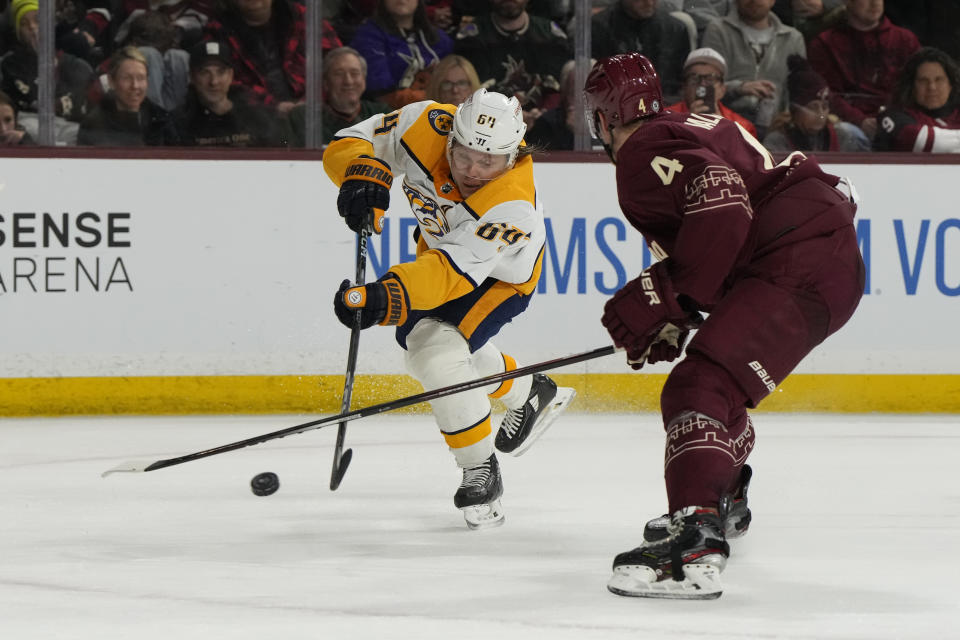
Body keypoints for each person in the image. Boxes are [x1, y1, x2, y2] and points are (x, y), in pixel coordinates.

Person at [583, 52, 864, 599]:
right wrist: (679, 308)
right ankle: (720, 498)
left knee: (698, 386)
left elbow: (724, 202)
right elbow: (731, 223)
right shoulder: (682, 126)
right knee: (716, 384)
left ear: (601, 118)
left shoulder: (640, 150)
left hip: (797, 259)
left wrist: (665, 293)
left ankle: (695, 537)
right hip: (815, 257)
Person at [323, 88, 575, 529]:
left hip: (500, 276)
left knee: (433, 352)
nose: (473, 171)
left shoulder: (513, 204)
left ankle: (480, 469)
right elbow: (352, 140)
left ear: (512, 156)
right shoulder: (425, 124)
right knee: (439, 348)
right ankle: (527, 391)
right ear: (451, 139)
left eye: (489, 162)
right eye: (464, 156)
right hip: (441, 255)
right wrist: (359, 172)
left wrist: (384, 297)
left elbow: (450, 275)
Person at [806, 0, 920, 141]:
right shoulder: (824, 44)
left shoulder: (905, 40)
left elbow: (915, 89)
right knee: (846, 133)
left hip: (900, 122)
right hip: (846, 125)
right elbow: (826, 94)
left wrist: (894, 118)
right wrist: (858, 120)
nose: (875, 3)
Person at [453, 0, 571, 128]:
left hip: (546, 125)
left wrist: (544, 113)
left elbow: (560, 89)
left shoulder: (550, 35)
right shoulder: (471, 38)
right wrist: (508, 114)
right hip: (488, 124)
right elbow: (470, 90)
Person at [701, 0, 806, 137]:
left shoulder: (793, 38)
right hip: (726, 123)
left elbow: (799, 90)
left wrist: (786, 117)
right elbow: (706, 85)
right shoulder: (719, 29)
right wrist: (740, 88)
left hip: (776, 128)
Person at [203, 0, 326, 114]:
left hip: (314, 109)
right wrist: (273, 106)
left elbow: (335, 63)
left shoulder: (300, 15)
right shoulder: (218, 30)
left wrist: (309, 101)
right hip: (255, 117)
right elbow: (220, 84)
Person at [174, 39, 285, 147]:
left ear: (231, 75)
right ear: (192, 77)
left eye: (221, 72)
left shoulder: (257, 118)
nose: (214, 81)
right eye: (204, 72)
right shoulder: (178, 124)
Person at [1, 0, 95, 123]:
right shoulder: (9, 67)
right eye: (24, 24)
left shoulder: (78, 67)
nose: (32, 27)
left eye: (37, 20)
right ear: (19, 33)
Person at [350, 0, 454, 109]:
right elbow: (382, 96)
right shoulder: (368, 36)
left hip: (442, 112)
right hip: (392, 118)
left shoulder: (440, 39)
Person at [589, 0, 691, 104]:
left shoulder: (675, 29)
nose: (649, 3)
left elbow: (679, 84)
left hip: (665, 105)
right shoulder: (598, 28)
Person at [285, 46, 391, 146]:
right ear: (326, 83)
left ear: (364, 80)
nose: (348, 81)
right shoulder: (304, 118)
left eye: (354, 73)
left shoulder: (382, 115)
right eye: (339, 74)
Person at [763, 53, 870, 151]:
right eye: (813, 107)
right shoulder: (776, 142)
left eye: (825, 107)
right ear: (794, 109)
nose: (821, 115)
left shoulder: (843, 137)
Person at [77, 46, 179, 146]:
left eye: (141, 78)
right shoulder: (94, 126)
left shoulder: (161, 119)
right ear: (111, 81)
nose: (135, 85)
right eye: (127, 78)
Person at [873, 47, 960, 153]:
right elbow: (921, 142)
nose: (932, 87)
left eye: (939, 80)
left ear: (950, 85)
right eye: (923, 81)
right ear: (911, 86)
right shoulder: (893, 116)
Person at [665, 47, 758, 137]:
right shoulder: (666, 119)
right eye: (694, 78)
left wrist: (721, 127)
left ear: (723, 89)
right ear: (684, 87)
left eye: (710, 79)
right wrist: (686, 125)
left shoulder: (742, 127)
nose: (702, 84)